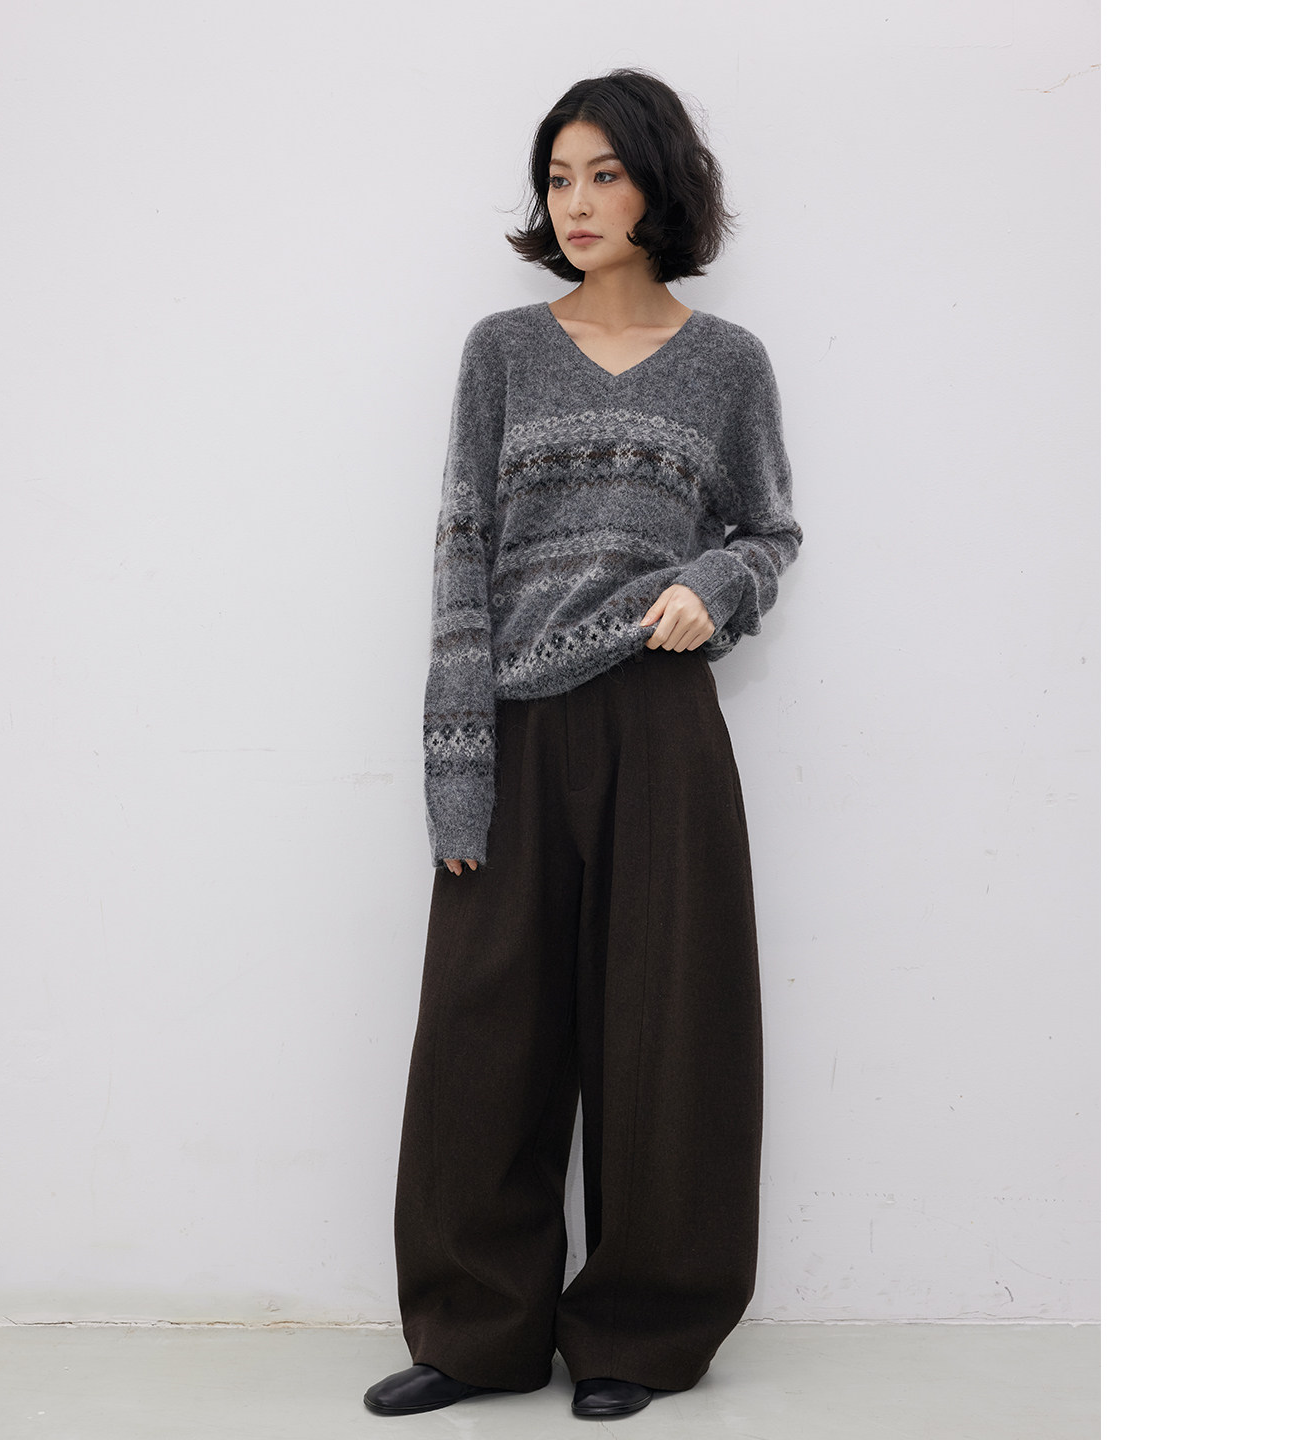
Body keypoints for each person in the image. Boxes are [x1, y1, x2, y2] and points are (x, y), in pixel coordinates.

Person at [364, 67, 803, 1421]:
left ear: (660, 184)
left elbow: (770, 532)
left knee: (668, 1028)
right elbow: (462, 556)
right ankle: (476, 1331)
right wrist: (457, 770)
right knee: (483, 1031)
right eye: (559, 178)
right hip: (516, 719)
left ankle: (642, 1332)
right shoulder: (503, 350)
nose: (577, 201)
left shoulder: (727, 365)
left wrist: (715, 585)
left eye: (605, 173)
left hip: (659, 722)